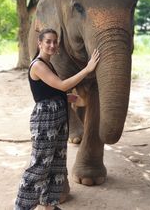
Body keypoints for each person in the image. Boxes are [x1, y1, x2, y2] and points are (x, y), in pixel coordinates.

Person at [14, 28, 100, 210]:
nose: (52, 45)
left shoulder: (48, 63)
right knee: (40, 165)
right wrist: (87, 69)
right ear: (40, 43)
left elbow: (48, 91)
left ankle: (49, 205)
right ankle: (21, 206)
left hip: (58, 116)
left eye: (55, 41)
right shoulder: (38, 65)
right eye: (48, 41)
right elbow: (61, 85)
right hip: (45, 119)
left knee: (56, 163)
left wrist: (66, 98)